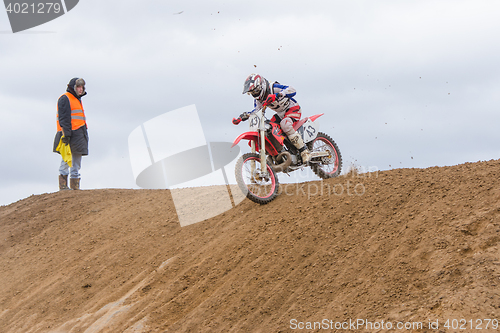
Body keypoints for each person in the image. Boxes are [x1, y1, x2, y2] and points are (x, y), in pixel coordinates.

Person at [236, 73, 311, 163]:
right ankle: (279, 153)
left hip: (292, 108)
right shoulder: (259, 99)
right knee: (270, 129)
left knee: (285, 124)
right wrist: (243, 116)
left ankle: (304, 151)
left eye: (255, 91)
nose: (254, 94)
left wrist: (278, 95)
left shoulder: (273, 88)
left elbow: (292, 90)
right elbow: (257, 111)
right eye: (252, 92)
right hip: (280, 114)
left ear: (261, 86)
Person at [53, 78, 89, 190]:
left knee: (76, 161)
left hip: (79, 134)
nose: (80, 89)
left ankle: (75, 187)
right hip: (68, 134)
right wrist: (66, 135)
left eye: (82, 87)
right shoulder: (65, 98)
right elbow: (64, 118)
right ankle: (63, 186)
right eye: (78, 87)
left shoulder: (77, 99)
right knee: (66, 159)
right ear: (73, 87)